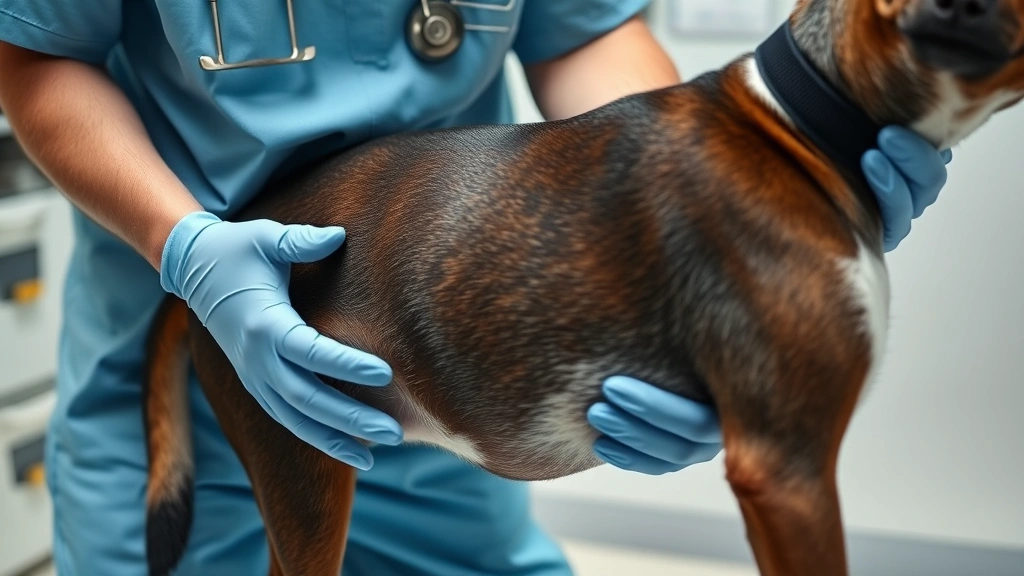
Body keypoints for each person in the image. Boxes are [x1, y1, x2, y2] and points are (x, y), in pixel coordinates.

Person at [0, 1, 950, 574]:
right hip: (199, 338)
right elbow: (40, 59)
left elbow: (588, 33)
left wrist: (728, 208)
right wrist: (189, 248)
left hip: (452, 363)